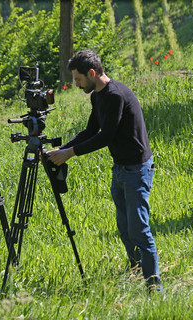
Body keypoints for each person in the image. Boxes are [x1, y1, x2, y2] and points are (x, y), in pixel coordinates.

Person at [47, 49, 162, 291]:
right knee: (124, 228)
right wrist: (60, 150)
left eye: (78, 79)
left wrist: (69, 154)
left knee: (139, 231)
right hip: (120, 170)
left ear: (92, 73)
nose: (77, 84)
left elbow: (105, 136)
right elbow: (90, 131)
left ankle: (154, 288)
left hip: (136, 170)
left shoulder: (115, 95)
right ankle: (136, 273)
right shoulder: (97, 96)